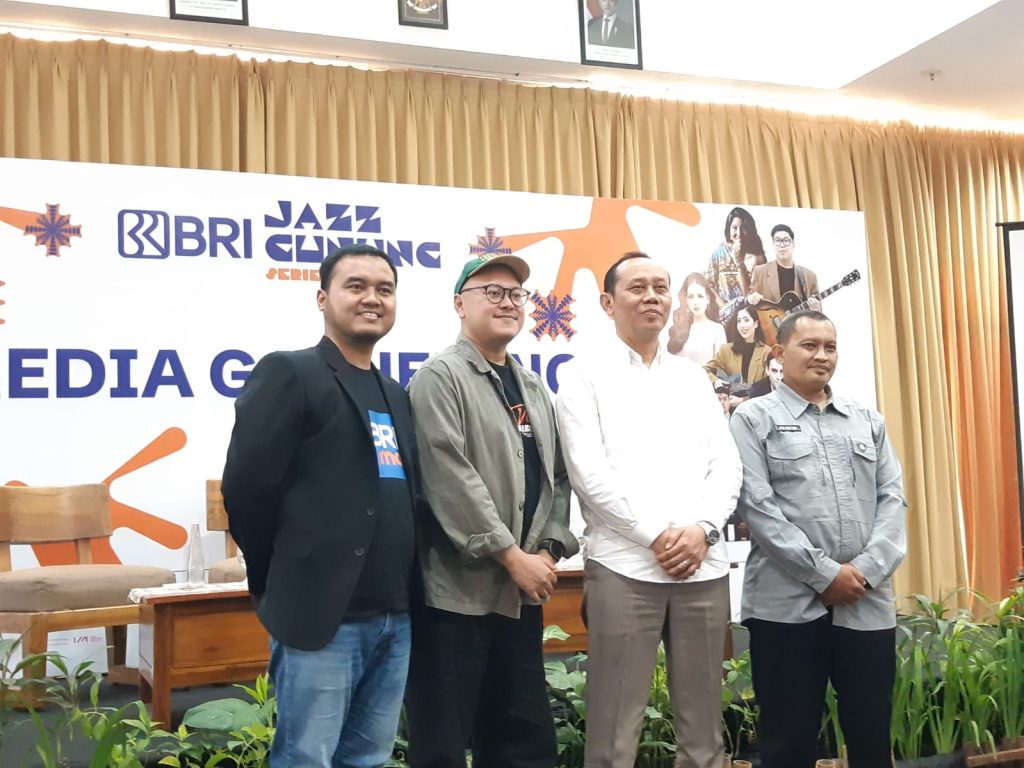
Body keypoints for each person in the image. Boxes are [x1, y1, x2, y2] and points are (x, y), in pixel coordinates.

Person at [221, 244, 420, 767]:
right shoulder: (291, 373)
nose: (372, 298)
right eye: (356, 286)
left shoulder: (395, 393)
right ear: (322, 298)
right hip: (322, 615)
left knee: (369, 758)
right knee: (306, 758)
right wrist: (285, 571)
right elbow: (246, 489)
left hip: (394, 616)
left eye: (384, 289)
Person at [556, 252, 742, 768]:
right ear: (608, 303)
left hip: (702, 567)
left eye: (661, 287)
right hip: (625, 567)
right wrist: (656, 535)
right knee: (614, 733)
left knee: (705, 734)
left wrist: (704, 529)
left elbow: (726, 464)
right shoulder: (582, 376)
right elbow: (588, 474)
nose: (652, 297)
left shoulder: (693, 378)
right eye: (637, 287)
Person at [405, 253, 578, 768]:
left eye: (516, 294)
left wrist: (546, 551)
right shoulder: (439, 377)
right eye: (493, 292)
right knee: (442, 746)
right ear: (460, 304)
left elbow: (558, 478)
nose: (508, 303)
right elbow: (447, 477)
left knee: (523, 745)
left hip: (520, 595)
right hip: (456, 598)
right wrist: (511, 555)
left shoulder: (532, 387)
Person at [729, 310, 907, 768]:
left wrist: (863, 572)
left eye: (830, 347)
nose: (821, 356)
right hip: (784, 607)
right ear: (779, 352)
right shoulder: (752, 419)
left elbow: (893, 500)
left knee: (871, 735)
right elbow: (757, 507)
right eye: (809, 345)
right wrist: (825, 575)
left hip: (866, 602)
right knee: (788, 741)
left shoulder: (866, 420)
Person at [704, 301, 772, 411]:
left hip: (757, 409)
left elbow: (768, 387)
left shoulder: (767, 352)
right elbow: (705, 370)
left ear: (756, 323)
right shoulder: (726, 350)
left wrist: (743, 400)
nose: (742, 325)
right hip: (730, 410)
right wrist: (716, 381)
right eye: (739, 321)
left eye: (746, 320)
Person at [747, 224, 820, 308]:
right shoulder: (760, 272)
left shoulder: (809, 276)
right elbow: (749, 304)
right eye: (777, 241)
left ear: (793, 244)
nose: (782, 245)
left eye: (786, 240)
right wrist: (750, 299)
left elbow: (819, 311)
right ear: (773, 245)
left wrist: (815, 309)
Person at [666, 272, 727, 365]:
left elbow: (721, 366)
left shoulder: (717, 329)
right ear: (686, 300)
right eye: (691, 297)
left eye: (700, 296)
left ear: (707, 298)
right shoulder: (678, 328)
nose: (695, 302)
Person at [706, 206, 758, 309]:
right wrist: (724, 307)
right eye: (734, 228)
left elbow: (749, 293)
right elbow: (708, 284)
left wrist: (740, 265)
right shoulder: (719, 252)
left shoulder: (755, 257)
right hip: (723, 312)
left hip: (748, 312)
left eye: (744, 228)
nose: (739, 233)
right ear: (728, 230)